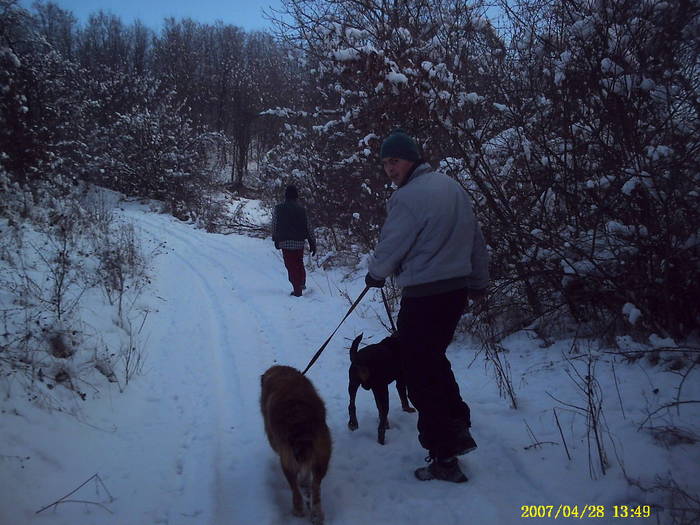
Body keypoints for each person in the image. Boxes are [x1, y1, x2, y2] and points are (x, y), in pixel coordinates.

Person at [365, 129, 489, 483]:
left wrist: (376, 274)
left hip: (423, 295)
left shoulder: (408, 197)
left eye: (395, 161)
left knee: (419, 374)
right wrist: (478, 282)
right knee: (432, 359)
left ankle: (444, 456)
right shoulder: (452, 188)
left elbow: (393, 243)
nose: (390, 169)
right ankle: (457, 426)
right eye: (386, 163)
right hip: (454, 294)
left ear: (412, 159)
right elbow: (476, 239)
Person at [272, 184, 316, 297]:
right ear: (296, 196)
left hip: (285, 242)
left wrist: (275, 239)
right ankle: (301, 283)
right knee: (298, 263)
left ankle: (297, 290)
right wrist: (312, 242)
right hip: (299, 242)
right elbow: (309, 227)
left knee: (290, 265)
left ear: (286, 196)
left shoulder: (278, 209)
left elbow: (275, 225)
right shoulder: (302, 210)